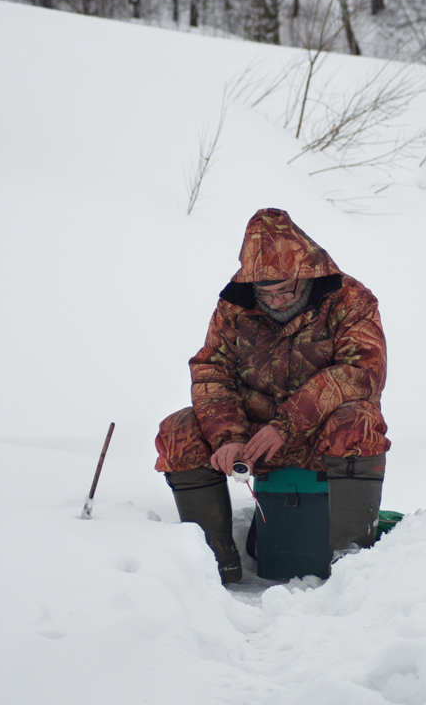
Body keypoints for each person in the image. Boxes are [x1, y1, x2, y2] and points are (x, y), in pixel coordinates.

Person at [155, 208, 390, 583]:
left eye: (285, 291)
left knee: (358, 422)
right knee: (178, 429)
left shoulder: (350, 299)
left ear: (306, 275)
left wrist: (287, 424)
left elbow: (362, 372)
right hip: (253, 438)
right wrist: (228, 437)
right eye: (266, 293)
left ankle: (352, 569)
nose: (276, 301)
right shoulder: (233, 306)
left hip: (319, 437)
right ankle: (215, 568)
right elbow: (211, 372)